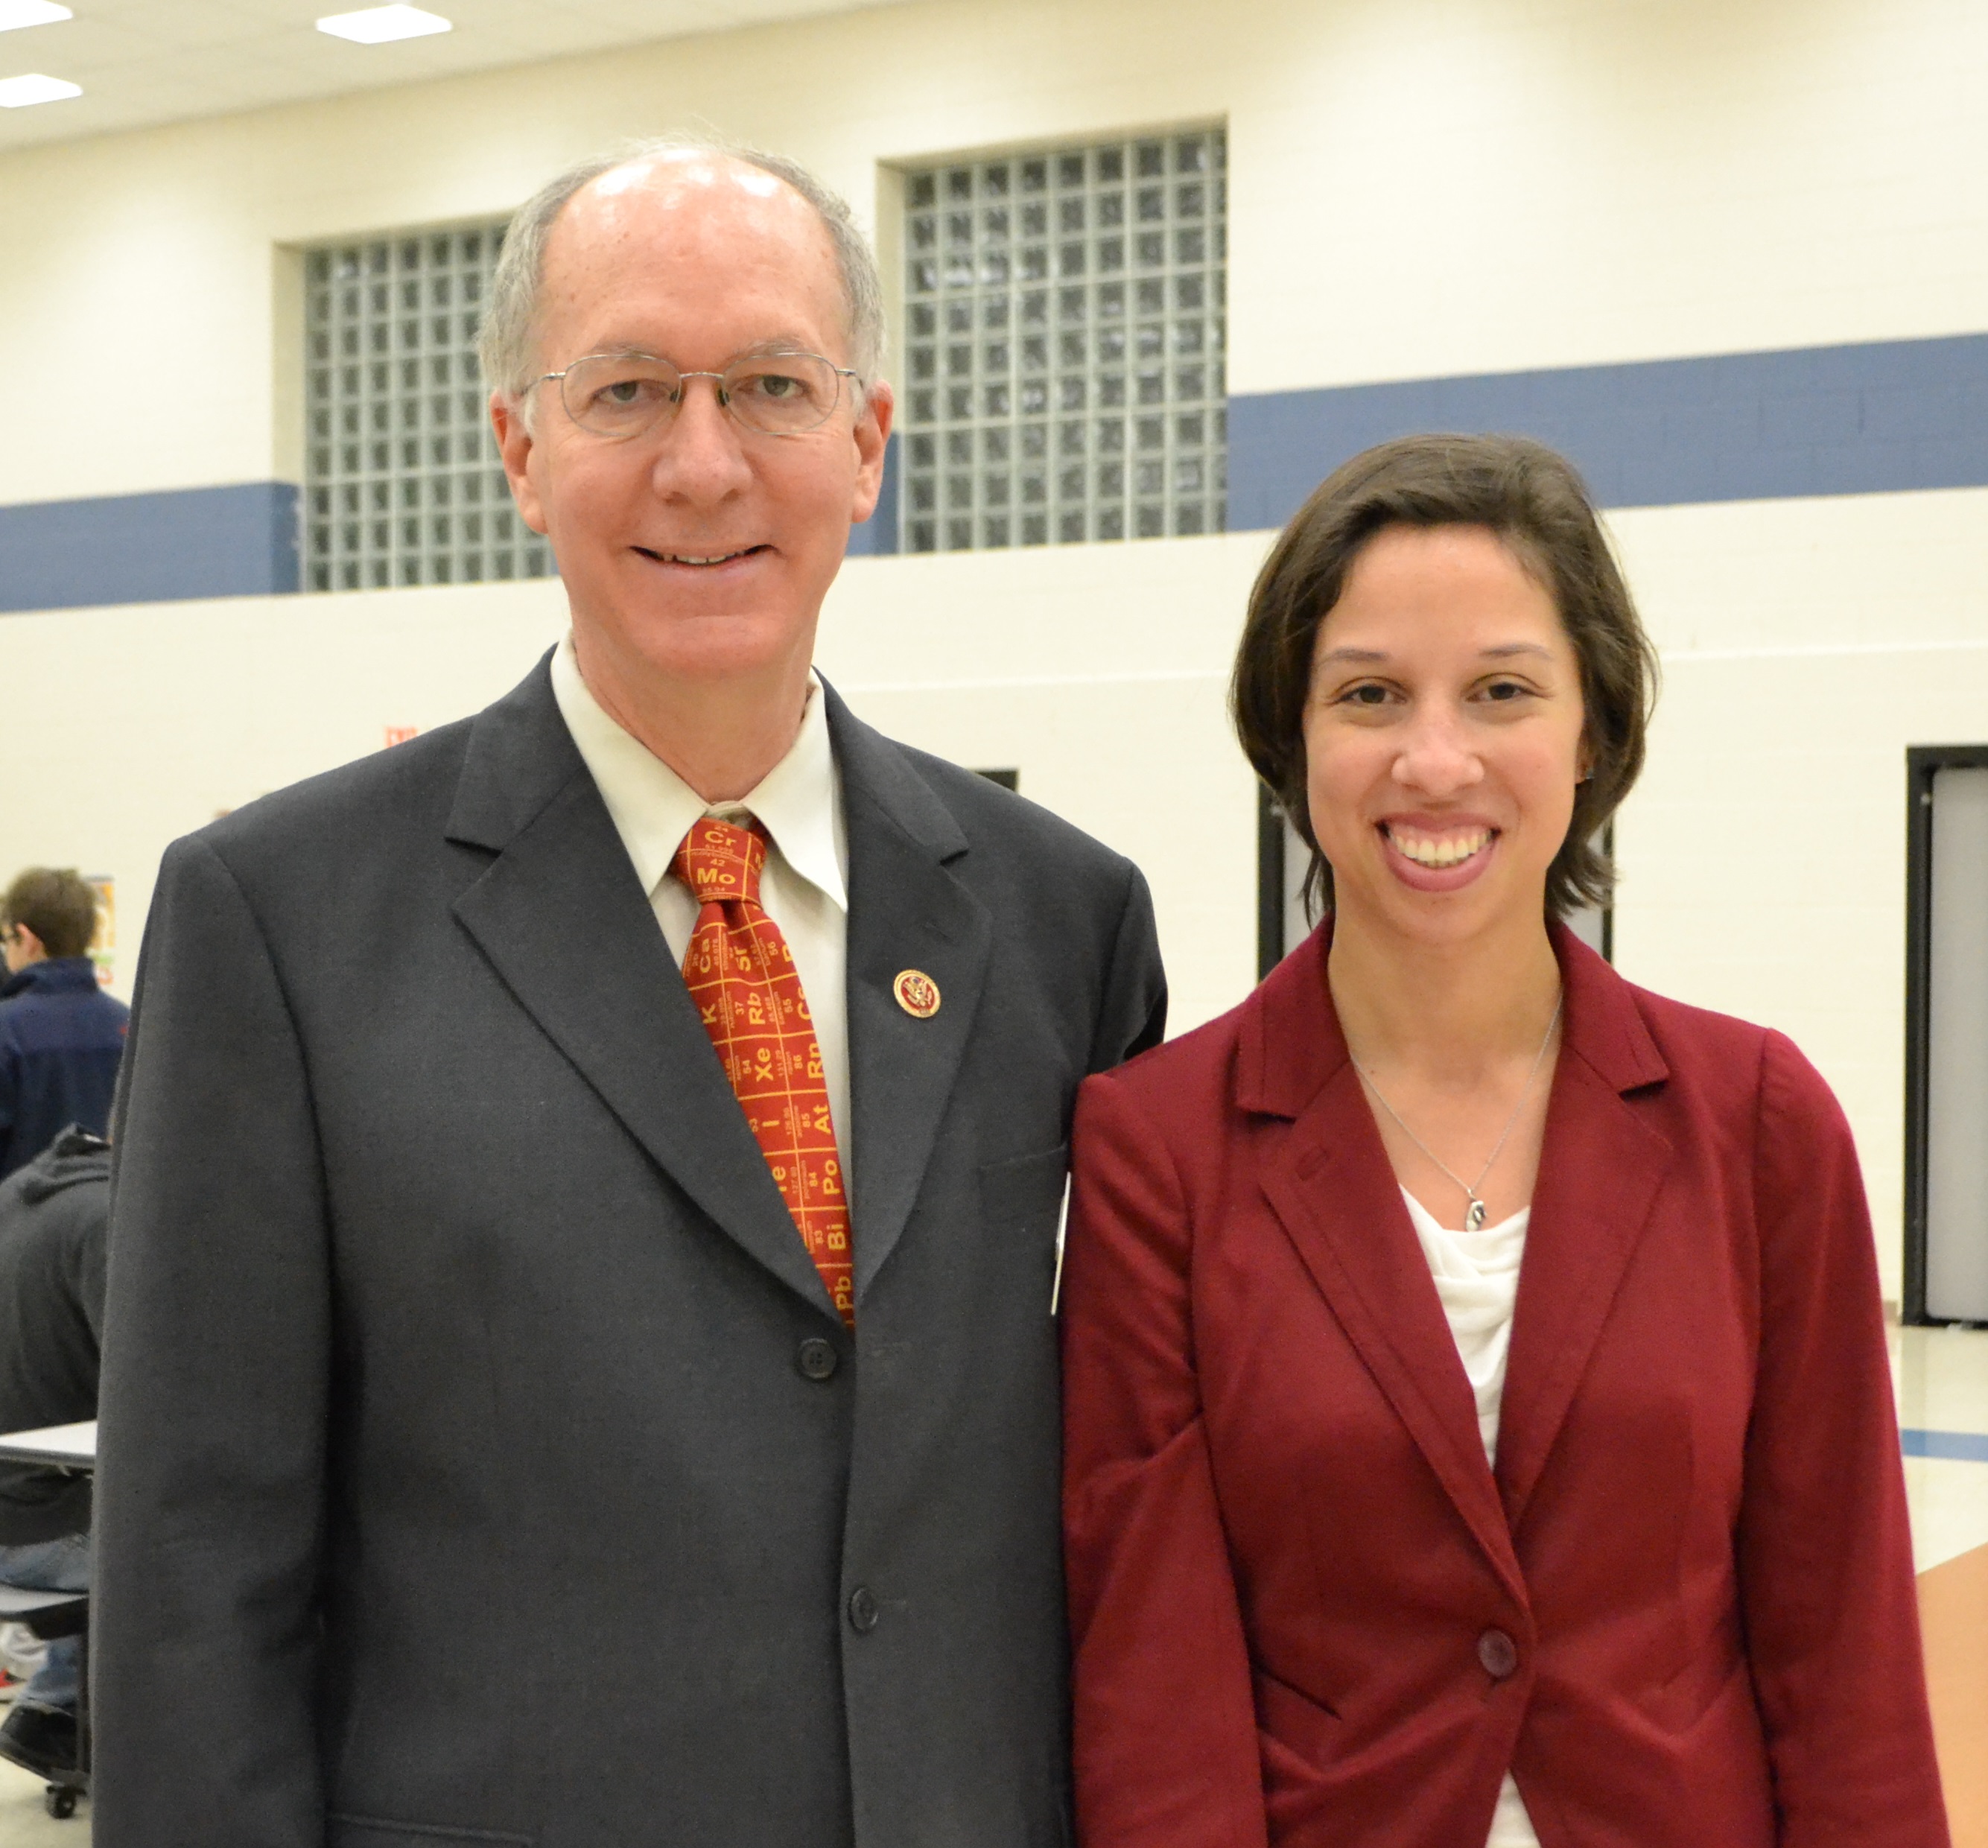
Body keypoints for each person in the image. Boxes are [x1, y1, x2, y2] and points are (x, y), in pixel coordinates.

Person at [94, 139, 1166, 1847]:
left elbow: (1133, 1511)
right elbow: (194, 1570)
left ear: (867, 440)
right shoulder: (281, 924)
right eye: (626, 391)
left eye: (770, 386)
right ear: (520, 447)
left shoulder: (1062, 916)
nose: (702, 462)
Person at [1061, 434, 1949, 1847]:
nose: (1433, 758)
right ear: (1290, 739)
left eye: (1499, 692)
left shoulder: (1759, 1124)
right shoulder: (1154, 1151)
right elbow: (1151, 1681)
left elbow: (1838, 1648)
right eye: (1367, 694)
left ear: (1588, 730)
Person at [0, 1124, 108, 1780]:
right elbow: (160, 1388)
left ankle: (56, 1708)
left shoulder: (19, 1194)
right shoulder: (109, 1221)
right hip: (47, 1531)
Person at [0, 869, 127, 1179]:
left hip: (21, 1218)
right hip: (105, 1216)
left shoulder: (6, 1029)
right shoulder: (129, 1024)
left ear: (27, 939)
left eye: (6, 941)